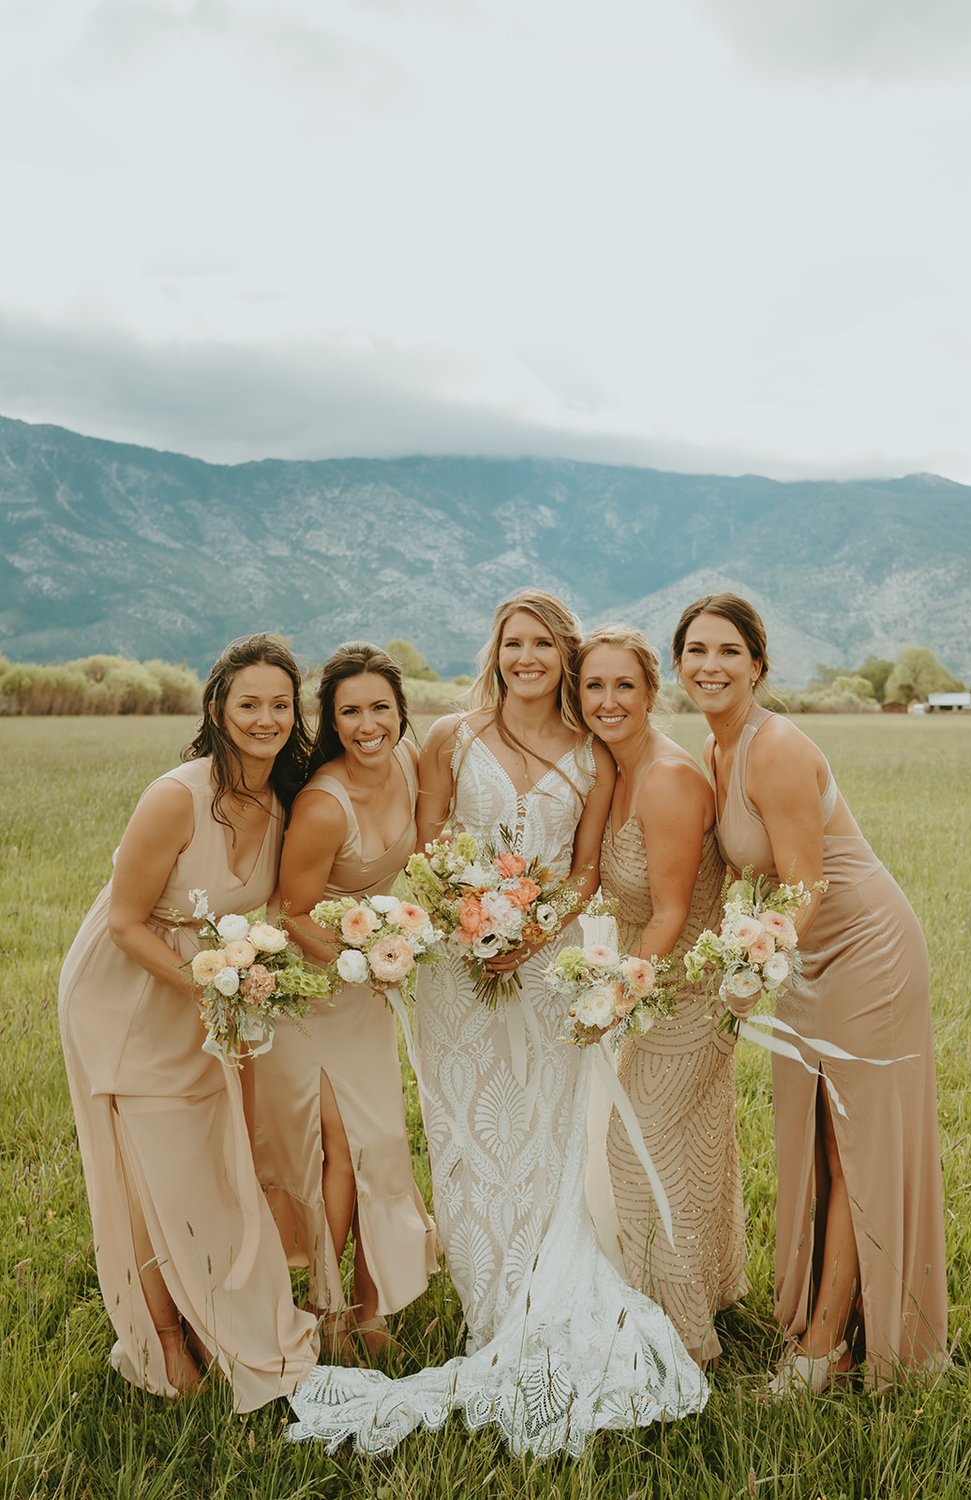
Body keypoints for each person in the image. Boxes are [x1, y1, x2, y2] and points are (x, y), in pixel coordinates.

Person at [287, 590, 707, 1458]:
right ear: (498, 650)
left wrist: (535, 928)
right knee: (471, 1136)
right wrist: (469, 918)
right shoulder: (449, 736)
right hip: (454, 967)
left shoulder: (595, 754)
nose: (527, 659)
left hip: (548, 967)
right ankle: (489, 1307)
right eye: (513, 643)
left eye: (543, 647)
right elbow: (431, 841)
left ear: (563, 657)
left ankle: (547, 1294)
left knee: (548, 1139)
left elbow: (588, 869)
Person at [673, 593, 949, 1394]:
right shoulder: (717, 748)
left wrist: (750, 965)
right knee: (822, 1138)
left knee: (856, 1140)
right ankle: (831, 1333)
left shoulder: (777, 748)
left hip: (863, 948)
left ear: (759, 665)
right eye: (696, 650)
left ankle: (823, 1351)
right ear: (680, 663)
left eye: (729, 651)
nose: (710, 666)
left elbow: (804, 886)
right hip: (800, 953)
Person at [58, 634, 319, 1411]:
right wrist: (214, 995)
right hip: (129, 997)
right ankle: (165, 1342)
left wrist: (247, 983)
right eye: (250, 704)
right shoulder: (175, 795)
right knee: (146, 1168)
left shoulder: (284, 801)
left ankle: (214, 1314)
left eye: (280, 704)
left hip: (213, 995)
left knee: (203, 1161)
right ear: (218, 709)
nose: (266, 718)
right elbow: (127, 923)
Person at [254, 643, 437, 1359]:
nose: (369, 725)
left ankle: (370, 1306)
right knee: (341, 1150)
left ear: (400, 711)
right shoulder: (325, 805)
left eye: (380, 708)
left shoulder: (410, 766)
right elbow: (289, 911)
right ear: (331, 721)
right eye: (350, 711)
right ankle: (325, 1312)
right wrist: (364, 962)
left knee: (382, 1148)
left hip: (365, 992)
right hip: (315, 993)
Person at [573, 625, 746, 1367]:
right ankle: (697, 1293)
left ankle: (684, 1341)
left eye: (623, 686)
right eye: (593, 686)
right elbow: (588, 878)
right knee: (678, 1149)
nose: (608, 701)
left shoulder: (669, 778)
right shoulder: (613, 768)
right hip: (653, 987)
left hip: (690, 995)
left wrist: (609, 1000)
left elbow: (672, 912)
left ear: (651, 692)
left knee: (633, 1148)